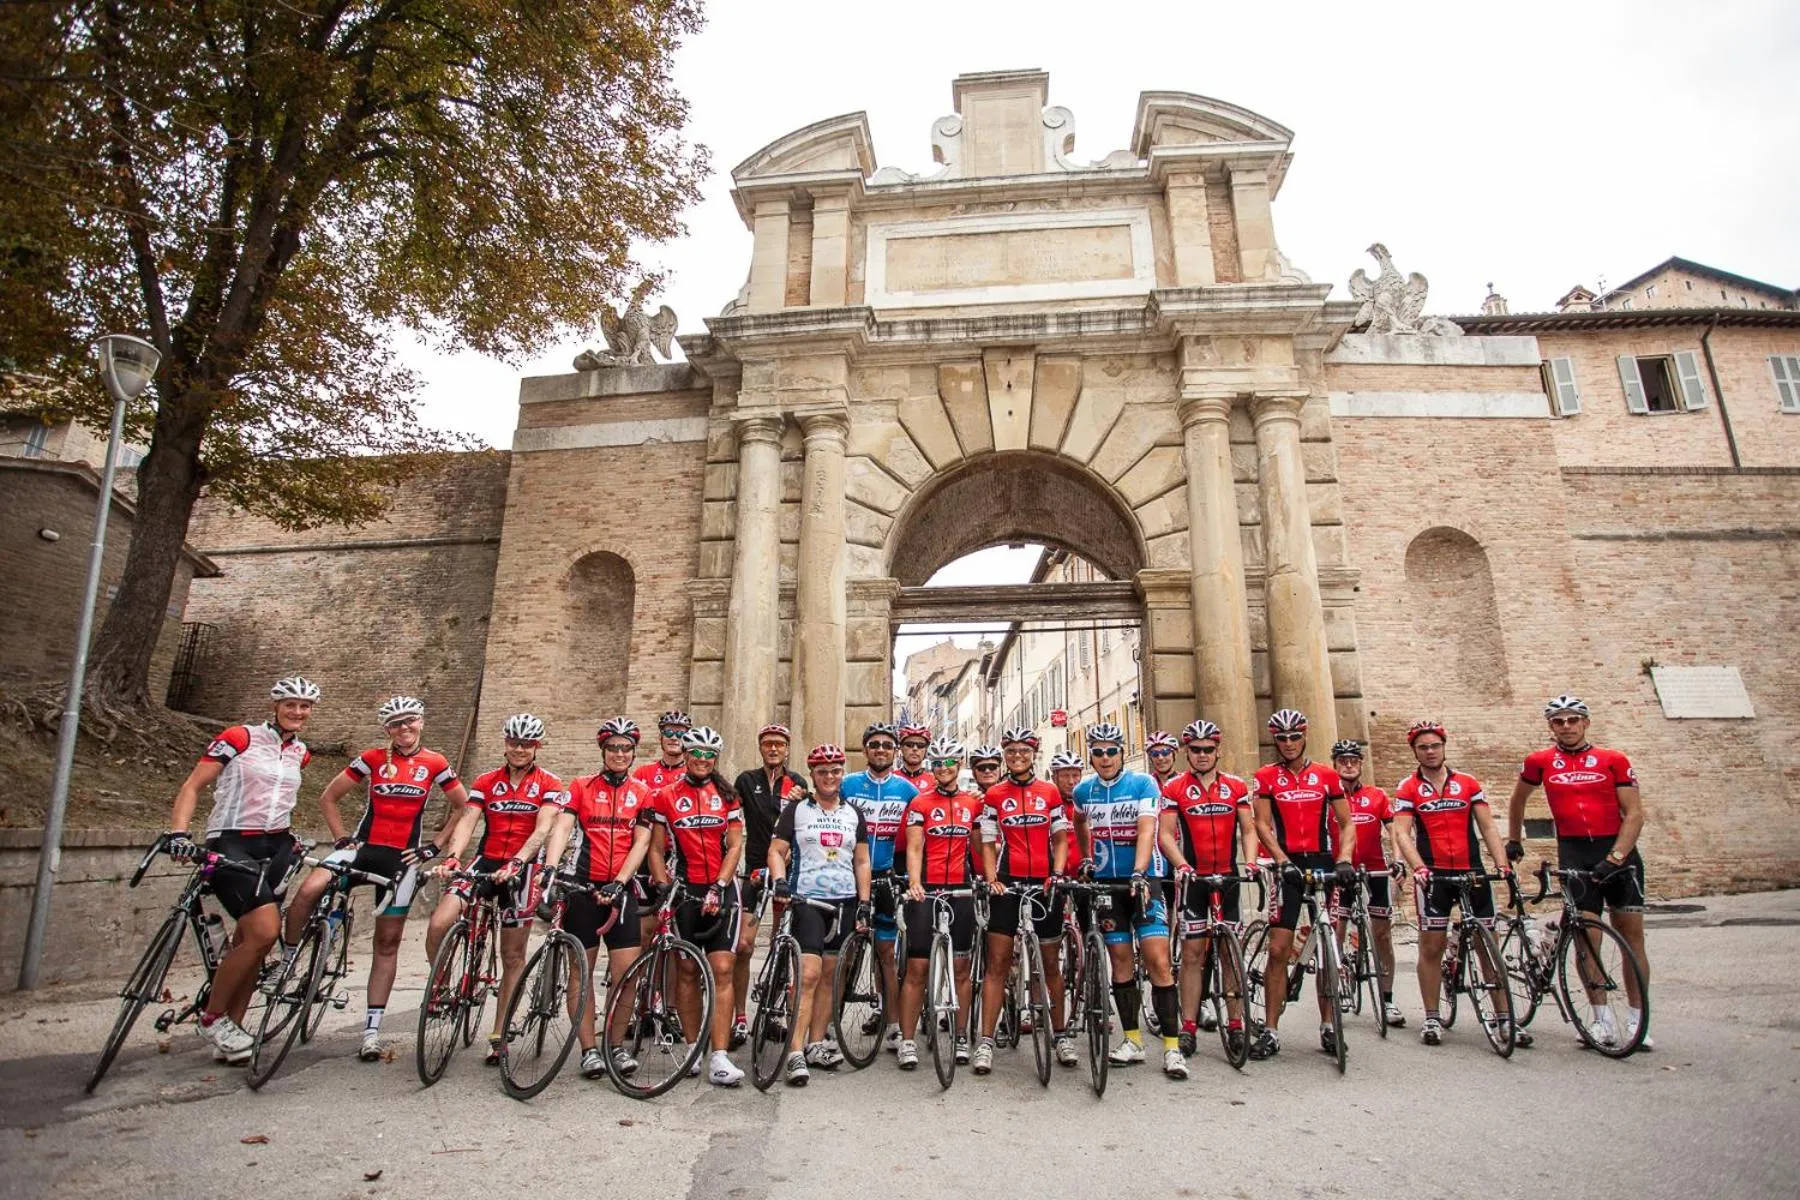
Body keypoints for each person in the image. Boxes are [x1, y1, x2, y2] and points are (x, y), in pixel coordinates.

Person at [284, 695, 469, 1062]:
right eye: (396, 724)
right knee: (309, 889)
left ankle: (371, 1031)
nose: (404, 728)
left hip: (402, 859)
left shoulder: (435, 763)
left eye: (410, 721)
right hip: (362, 848)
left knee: (387, 943)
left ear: (420, 722)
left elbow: (464, 805)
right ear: (387, 729)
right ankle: (287, 961)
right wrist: (341, 838)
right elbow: (328, 798)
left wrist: (435, 846)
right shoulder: (371, 759)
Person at [164, 676, 319, 1064]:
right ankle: (211, 1018)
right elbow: (192, 786)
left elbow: (279, 799)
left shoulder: (301, 752)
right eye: (290, 704)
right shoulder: (239, 738)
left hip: (276, 847)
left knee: (251, 944)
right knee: (265, 932)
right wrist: (179, 832)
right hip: (232, 841)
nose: (298, 711)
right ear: (275, 706)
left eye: (305, 706)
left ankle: (232, 1032)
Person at [1507, 695, 1651, 1050]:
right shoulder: (1539, 762)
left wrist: (1615, 857)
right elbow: (1518, 799)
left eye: (1573, 719)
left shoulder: (1613, 760)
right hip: (1575, 854)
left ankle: (1638, 1020)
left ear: (1586, 722)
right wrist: (1514, 840)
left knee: (1632, 939)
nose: (1567, 726)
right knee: (1587, 940)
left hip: (1618, 853)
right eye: (1559, 721)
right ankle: (1600, 1020)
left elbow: (1634, 814)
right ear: (1551, 726)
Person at [423, 713, 564, 1065]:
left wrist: (518, 861)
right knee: (440, 922)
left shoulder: (549, 782)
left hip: (522, 868)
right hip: (485, 861)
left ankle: (499, 1034)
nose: (520, 749)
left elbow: (544, 828)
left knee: (512, 956)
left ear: (536, 747)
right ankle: (441, 986)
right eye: (514, 742)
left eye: (527, 744)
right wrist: (454, 856)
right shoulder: (486, 781)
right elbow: (468, 819)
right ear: (506, 743)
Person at [540, 716, 658, 1079]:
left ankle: (615, 1045)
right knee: (582, 971)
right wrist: (551, 868)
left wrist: (620, 882)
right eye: (613, 748)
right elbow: (563, 827)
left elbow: (642, 841)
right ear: (603, 750)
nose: (620, 754)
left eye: (626, 748)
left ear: (634, 752)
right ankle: (589, 1049)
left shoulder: (643, 792)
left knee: (627, 974)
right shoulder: (581, 786)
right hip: (583, 887)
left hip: (620, 890)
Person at [1390, 720, 1516, 1048]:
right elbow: (1402, 832)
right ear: (1414, 751)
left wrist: (1501, 863)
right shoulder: (1408, 787)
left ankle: (1504, 1018)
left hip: (1472, 871)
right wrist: (1417, 867)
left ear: (1444, 747)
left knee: (1488, 946)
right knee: (1432, 947)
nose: (1430, 752)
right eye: (1423, 747)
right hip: (1434, 875)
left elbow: (1487, 827)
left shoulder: (1468, 783)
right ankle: (1432, 1017)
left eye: (1435, 746)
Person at [1071, 724, 1181, 1078]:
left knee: (1158, 961)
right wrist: (1086, 857)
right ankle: (1132, 1040)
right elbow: (1079, 821)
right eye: (1098, 752)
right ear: (1091, 756)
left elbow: (1147, 829)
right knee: (1120, 962)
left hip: (1142, 879)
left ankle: (1172, 1047)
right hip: (1107, 884)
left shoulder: (1142, 784)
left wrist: (1138, 870)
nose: (1105, 758)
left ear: (1121, 753)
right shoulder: (1083, 791)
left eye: (1111, 751)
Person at [639, 725, 746, 1086]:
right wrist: (663, 887)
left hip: (721, 888)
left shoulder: (727, 794)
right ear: (685, 755)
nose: (703, 759)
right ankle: (691, 1048)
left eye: (709, 754)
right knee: (686, 970)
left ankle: (720, 1056)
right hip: (684, 890)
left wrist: (720, 885)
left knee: (722, 968)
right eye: (696, 753)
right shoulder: (665, 796)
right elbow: (656, 850)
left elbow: (735, 846)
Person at [1249, 708, 1354, 1062]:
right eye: (1282, 738)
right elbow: (1262, 824)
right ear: (1275, 741)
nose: (1289, 743)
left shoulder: (1326, 775)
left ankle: (1328, 1025)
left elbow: (1346, 823)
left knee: (1328, 948)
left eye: (1295, 736)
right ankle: (1271, 1030)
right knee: (1279, 949)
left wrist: (1344, 859)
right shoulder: (1266, 776)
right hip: (1288, 865)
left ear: (1305, 736)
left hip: (1323, 861)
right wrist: (1280, 860)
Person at [767, 744, 873, 1085]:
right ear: (812, 775)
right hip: (807, 901)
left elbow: (862, 861)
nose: (829, 776)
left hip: (844, 902)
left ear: (843, 773)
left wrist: (864, 901)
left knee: (830, 977)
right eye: (822, 771)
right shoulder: (797, 810)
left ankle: (816, 1043)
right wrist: (780, 881)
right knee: (808, 975)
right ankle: (795, 1051)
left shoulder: (854, 813)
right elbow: (776, 851)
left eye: (835, 770)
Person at [971, 726, 1071, 1076]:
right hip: (1008, 883)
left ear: (1033, 755)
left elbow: (1060, 839)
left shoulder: (1049, 792)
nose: (1017, 757)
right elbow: (987, 842)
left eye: (1023, 752)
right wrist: (991, 879)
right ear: (1005, 756)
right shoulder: (995, 795)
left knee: (1051, 965)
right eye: (1011, 752)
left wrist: (1057, 873)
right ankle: (985, 1040)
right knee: (997, 964)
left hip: (1044, 883)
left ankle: (1061, 1034)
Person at [1157, 719, 1257, 1062]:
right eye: (1196, 749)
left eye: (1208, 749)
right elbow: (1165, 834)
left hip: (1228, 877)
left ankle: (1235, 1022)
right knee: (1192, 955)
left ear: (1218, 751)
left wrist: (1252, 862)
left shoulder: (1235, 786)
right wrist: (1181, 865)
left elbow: (1248, 829)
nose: (1202, 755)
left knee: (1230, 953)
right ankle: (1188, 1025)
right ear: (1187, 752)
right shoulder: (1175, 788)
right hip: (1195, 880)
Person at [895, 737, 982, 1071]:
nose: (943, 769)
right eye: (937, 764)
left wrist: (986, 880)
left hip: (961, 890)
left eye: (948, 763)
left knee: (961, 968)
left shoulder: (971, 803)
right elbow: (915, 847)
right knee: (917, 968)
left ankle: (960, 1036)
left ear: (959, 765)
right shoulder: (920, 802)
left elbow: (979, 846)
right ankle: (907, 1040)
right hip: (928, 890)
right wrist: (915, 882)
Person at [840, 722, 919, 1053]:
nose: (881, 750)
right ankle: (829, 1024)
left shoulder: (907, 791)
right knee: (844, 954)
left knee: (887, 954)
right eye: (874, 745)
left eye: (887, 745)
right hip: (849, 875)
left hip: (886, 875)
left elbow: (920, 837)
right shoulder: (846, 784)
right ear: (865, 750)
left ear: (895, 751)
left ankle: (894, 1025)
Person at [731, 722, 808, 1049]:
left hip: (784, 874)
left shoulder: (798, 782)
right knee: (743, 946)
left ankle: (775, 1012)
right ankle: (739, 1017)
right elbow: (732, 817)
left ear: (787, 749)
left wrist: (801, 800)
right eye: (768, 744)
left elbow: (801, 827)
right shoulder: (747, 781)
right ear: (761, 747)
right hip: (754, 872)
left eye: (779, 744)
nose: (773, 748)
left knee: (782, 943)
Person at [1331, 739, 1405, 1029]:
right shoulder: (1329, 796)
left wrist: (1398, 860)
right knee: (1336, 932)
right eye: (1343, 761)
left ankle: (1387, 999)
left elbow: (1394, 830)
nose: (1349, 765)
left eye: (1354, 760)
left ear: (1361, 764)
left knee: (1383, 936)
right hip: (1341, 872)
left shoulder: (1377, 796)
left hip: (1374, 870)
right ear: (1335, 765)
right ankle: (1337, 986)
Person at [631, 709, 691, 947]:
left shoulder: (692, 774)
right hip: (648, 855)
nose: (674, 737)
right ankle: (644, 970)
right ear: (660, 737)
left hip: (680, 856)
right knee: (645, 929)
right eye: (669, 732)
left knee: (675, 928)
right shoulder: (643, 773)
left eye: (680, 733)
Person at [895, 723, 935, 791]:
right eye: (909, 744)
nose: (915, 749)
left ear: (926, 749)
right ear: (901, 747)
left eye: (920, 745)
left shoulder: (935, 782)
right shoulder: (888, 779)